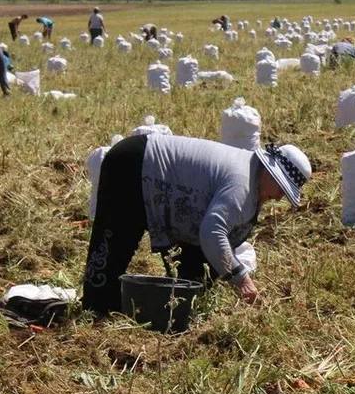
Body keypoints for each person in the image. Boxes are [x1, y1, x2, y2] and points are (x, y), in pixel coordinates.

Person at [81, 135, 313, 316]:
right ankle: (95, 313)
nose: (280, 197)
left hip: (146, 168)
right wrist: (241, 279)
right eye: (281, 189)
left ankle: (173, 305)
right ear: (270, 174)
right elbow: (212, 232)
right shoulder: (242, 185)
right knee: (115, 246)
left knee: (198, 274)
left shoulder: (252, 176)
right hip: (132, 165)